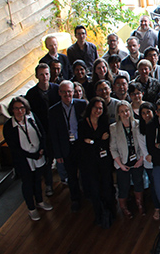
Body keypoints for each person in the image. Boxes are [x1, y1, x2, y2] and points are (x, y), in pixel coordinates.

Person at [3, 97, 53, 221]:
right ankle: (31, 208)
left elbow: (42, 133)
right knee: (27, 184)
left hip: (38, 155)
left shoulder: (32, 117)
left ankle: (40, 201)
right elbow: (14, 148)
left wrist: (41, 148)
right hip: (24, 160)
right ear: (12, 110)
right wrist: (32, 155)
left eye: (22, 107)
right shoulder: (9, 126)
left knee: (37, 180)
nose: (20, 111)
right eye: (16, 108)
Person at [49, 81, 87, 212]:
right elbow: (53, 134)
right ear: (59, 93)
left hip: (81, 145)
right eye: (64, 92)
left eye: (69, 91)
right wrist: (58, 154)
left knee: (85, 171)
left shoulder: (82, 105)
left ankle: (87, 194)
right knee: (71, 175)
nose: (67, 94)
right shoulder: (53, 111)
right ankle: (75, 198)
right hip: (66, 147)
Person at [78, 97, 115, 228]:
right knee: (94, 189)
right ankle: (99, 215)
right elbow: (82, 144)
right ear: (90, 108)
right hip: (89, 162)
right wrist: (98, 140)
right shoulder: (82, 123)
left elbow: (105, 141)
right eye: (95, 107)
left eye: (100, 108)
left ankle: (110, 213)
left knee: (107, 186)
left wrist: (93, 141)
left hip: (104, 161)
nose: (97, 110)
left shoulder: (105, 123)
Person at [25, 63, 60, 196]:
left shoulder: (56, 89)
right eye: (41, 74)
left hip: (57, 129)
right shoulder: (31, 94)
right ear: (36, 76)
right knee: (47, 159)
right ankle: (49, 184)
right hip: (43, 131)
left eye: (46, 74)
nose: (44, 77)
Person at [110, 100, 147, 219]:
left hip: (137, 161)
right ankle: (124, 208)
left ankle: (139, 204)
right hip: (122, 163)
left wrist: (141, 159)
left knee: (138, 183)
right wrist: (120, 164)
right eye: (122, 111)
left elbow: (143, 144)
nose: (125, 113)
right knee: (123, 186)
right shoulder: (114, 128)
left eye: (127, 110)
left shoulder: (138, 124)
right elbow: (113, 148)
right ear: (118, 113)